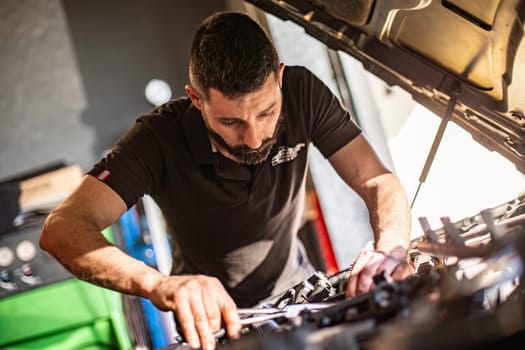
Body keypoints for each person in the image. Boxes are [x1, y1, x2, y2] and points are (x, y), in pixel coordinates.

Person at [40, 11, 412, 350]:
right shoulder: (158, 140)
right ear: (196, 100)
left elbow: (376, 178)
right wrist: (157, 284)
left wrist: (390, 247)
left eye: (267, 113)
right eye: (231, 122)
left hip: (301, 291)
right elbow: (62, 228)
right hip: (215, 325)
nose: (254, 138)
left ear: (279, 78)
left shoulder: (303, 92)